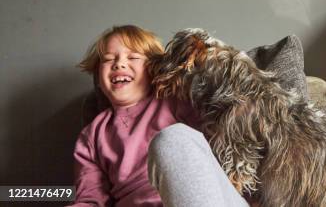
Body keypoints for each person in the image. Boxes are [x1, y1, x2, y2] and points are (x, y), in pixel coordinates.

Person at [68, 24, 249, 207]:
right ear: (98, 74)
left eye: (133, 57)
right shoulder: (92, 136)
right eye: (108, 60)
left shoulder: (176, 99)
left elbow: (226, 135)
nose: (119, 63)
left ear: (153, 67)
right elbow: (90, 199)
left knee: (172, 138)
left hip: (207, 197)